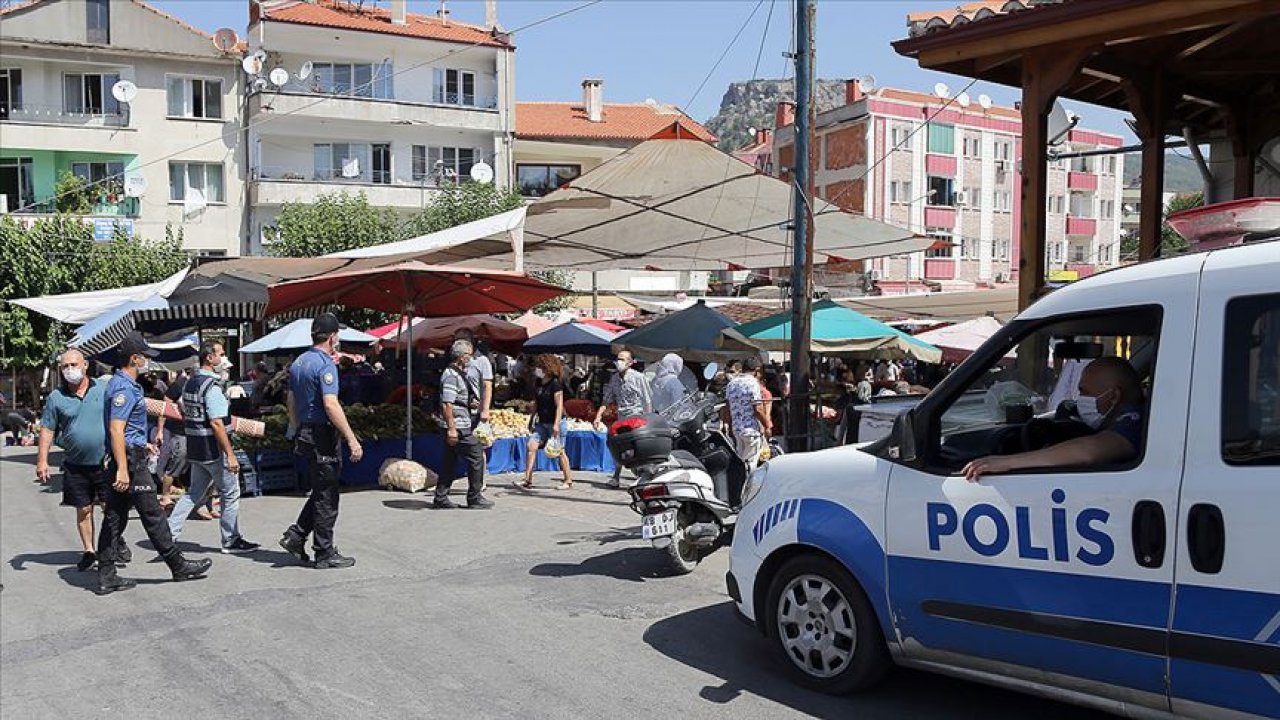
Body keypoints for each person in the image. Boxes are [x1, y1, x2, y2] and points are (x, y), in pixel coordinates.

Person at [96, 333, 211, 594]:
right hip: (129, 463)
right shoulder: (124, 387)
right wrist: (124, 468)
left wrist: (141, 443)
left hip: (128, 455)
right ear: (134, 358)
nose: (148, 361)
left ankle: (106, 574)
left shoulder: (122, 384)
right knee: (153, 515)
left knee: (114, 517)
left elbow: (125, 430)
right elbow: (116, 430)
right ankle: (178, 565)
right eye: (145, 357)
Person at [962, 357, 1145, 481]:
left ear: (1113, 397)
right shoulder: (1115, 418)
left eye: (1085, 392)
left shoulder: (1134, 420)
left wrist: (1007, 462)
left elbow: (1087, 452)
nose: (1080, 399)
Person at [280, 313, 364, 568]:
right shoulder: (325, 365)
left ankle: (296, 536)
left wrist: (295, 427)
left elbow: (291, 400)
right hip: (322, 435)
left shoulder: (299, 362)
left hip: (305, 432)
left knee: (320, 489)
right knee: (327, 496)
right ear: (333, 337)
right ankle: (324, 552)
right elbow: (331, 404)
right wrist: (352, 439)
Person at [36, 348, 130, 571]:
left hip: (105, 462)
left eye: (74, 365)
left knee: (112, 508)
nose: (70, 370)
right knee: (84, 510)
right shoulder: (56, 397)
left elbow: (121, 414)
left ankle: (114, 542)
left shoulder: (104, 388)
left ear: (85, 365)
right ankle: (89, 550)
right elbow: (47, 429)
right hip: (76, 465)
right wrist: (42, 460)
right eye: (65, 366)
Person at [167, 342, 260, 555]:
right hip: (213, 450)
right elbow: (217, 423)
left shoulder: (189, 383)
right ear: (210, 358)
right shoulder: (212, 387)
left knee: (194, 493)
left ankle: (168, 534)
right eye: (221, 354)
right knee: (230, 493)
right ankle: (231, 540)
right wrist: (230, 454)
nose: (223, 358)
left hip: (196, 448)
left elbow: (182, 408)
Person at [434, 339, 493, 509]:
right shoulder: (451, 376)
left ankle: (441, 497)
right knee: (476, 456)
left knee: (449, 461)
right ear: (461, 357)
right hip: (458, 426)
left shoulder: (459, 374)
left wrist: (470, 403)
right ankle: (474, 497)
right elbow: (447, 404)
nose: (471, 358)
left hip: (460, 422)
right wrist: (452, 428)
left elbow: (456, 400)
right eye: (468, 355)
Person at [595, 350, 652, 487]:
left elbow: (647, 399)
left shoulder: (639, 378)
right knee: (619, 446)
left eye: (623, 359)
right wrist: (598, 416)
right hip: (622, 417)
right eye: (618, 359)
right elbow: (606, 400)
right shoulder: (614, 379)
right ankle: (616, 477)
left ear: (631, 362)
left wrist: (648, 419)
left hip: (636, 416)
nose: (619, 362)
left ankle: (643, 475)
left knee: (636, 447)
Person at [517, 355, 572, 490]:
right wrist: (531, 418)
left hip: (555, 422)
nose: (537, 369)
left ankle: (568, 479)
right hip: (542, 422)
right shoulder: (538, 383)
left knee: (559, 451)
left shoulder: (555, 384)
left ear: (547, 368)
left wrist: (556, 424)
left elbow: (559, 405)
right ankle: (527, 478)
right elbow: (537, 402)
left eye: (539, 367)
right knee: (531, 446)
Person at [726, 356, 771, 471]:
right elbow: (758, 408)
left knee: (740, 463)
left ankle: (739, 486)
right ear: (757, 370)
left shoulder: (731, 384)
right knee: (751, 465)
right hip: (751, 430)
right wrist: (767, 425)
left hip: (737, 430)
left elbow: (727, 408)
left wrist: (730, 427)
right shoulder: (752, 383)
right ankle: (749, 487)